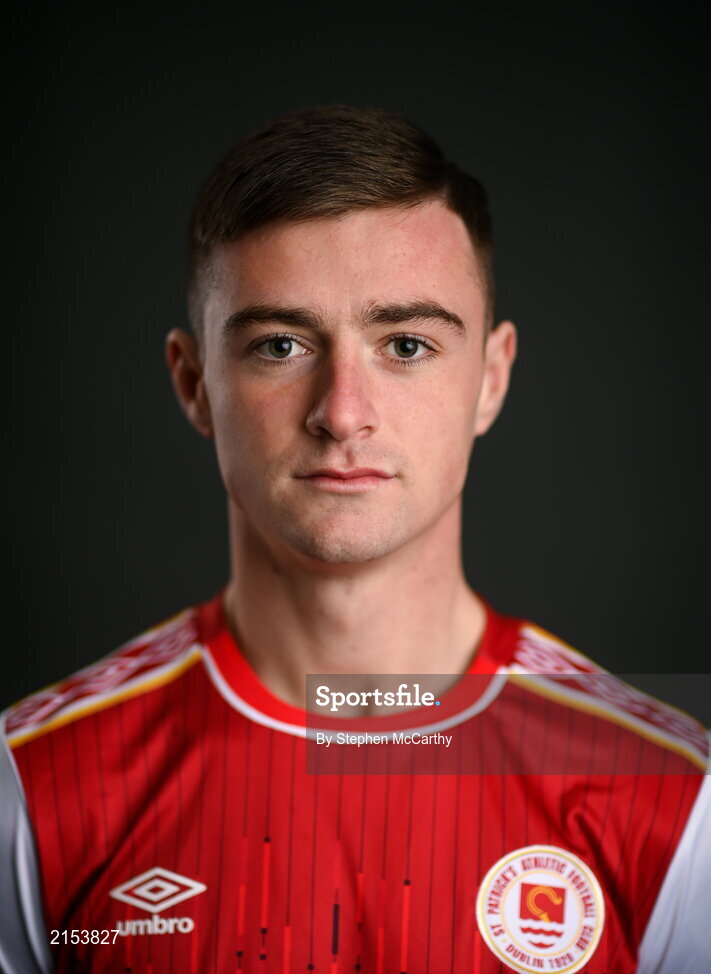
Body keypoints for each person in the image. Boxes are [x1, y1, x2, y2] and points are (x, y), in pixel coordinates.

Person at [1, 105, 708, 974]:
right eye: (280, 345)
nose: (341, 413)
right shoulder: (32, 785)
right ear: (193, 384)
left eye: (405, 344)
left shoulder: (675, 796)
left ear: (490, 378)